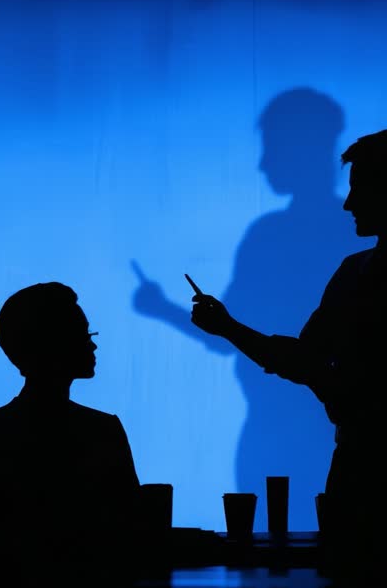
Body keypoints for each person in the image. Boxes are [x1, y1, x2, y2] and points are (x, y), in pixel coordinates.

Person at [189, 128, 387, 570]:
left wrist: (352, 388)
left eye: (360, 188)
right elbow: (305, 361)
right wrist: (229, 328)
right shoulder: (371, 274)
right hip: (364, 472)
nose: (348, 203)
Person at [132, 88, 364, 530]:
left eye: (273, 147)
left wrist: (163, 309)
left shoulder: (278, 238)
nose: (263, 163)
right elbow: (235, 338)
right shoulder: (307, 241)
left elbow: (245, 343)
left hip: (302, 441)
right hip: (303, 441)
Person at [0, 282, 141, 567]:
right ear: (55, 344)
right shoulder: (103, 430)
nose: (92, 343)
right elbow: (130, 525)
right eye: (83, 334)